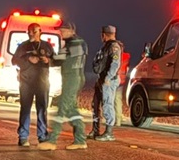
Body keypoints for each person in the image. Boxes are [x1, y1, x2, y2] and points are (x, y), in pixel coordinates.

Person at [38, 21, 88, 150]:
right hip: (75, 78)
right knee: (71, 108)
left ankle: (52, 140)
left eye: (64, 31)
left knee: (62, 106)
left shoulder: (73, 44)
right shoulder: (78, 43)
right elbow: (61, 59)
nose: (61, 33)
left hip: (72, 78)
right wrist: (51, 60)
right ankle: (80, 139)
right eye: (61, 31)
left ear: (72, 31)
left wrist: (49, 59)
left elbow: (60, 59)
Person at [11, 23, 55, 147]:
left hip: (42, 82)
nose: (31, 33)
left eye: (34, 31)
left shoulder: (47, 46)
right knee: (25, 109)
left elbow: (56, 60)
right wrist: (27, 59)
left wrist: (48, 60)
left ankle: (42, 136)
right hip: (26, 82)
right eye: (29, 31)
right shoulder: (23, 46)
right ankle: (23, 137)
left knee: (42, 109)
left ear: (40, 32)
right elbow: (14, 60)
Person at [89, 24, 123, 142]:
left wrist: (108, 78)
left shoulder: (114, 47)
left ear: (104, 35)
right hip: (102, 79)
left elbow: (115, 64)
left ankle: (109, 133)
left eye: (102, 35)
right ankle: (95, 130)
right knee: (95, 104)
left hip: (109, 80)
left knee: (108, 104)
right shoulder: (107, 46)